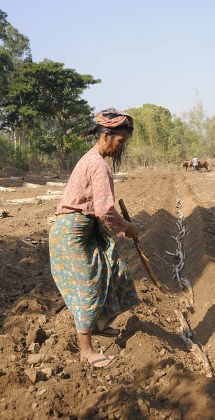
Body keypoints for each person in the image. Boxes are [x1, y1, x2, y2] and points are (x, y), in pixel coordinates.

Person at [49, 108, 139, 368]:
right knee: (87, 288)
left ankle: (99, 324)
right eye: (120, 141)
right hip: (71, 234)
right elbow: (104, 211)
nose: (121, 147)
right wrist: (126, 228)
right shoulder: (98, 166)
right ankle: (86, 351)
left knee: (114, 269)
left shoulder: (91, 158)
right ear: (106, 136)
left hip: (85, 230)